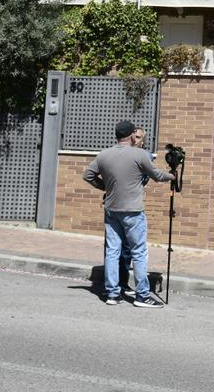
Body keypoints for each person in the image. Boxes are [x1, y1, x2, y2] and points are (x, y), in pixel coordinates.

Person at [83, 120, 174, 307]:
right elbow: (157, 175)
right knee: (139, 252)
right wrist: (173, 176)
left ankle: (112, 294)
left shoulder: (104, 154)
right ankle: (142, 296)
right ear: (132, 135)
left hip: (111, 210)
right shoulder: (139, 154)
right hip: (132, 211)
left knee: (112, 251)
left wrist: (106, 188)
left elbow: (88, 175)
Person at [117, 126, 152, 291]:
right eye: (133, 136)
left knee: (131, 248)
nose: (134, 139)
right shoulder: (119, 152)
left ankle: (124, 283)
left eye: (138, 137)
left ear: (143, 140)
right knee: (116, 247)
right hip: (116, 204)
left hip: (133, 205)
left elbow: (144, 180)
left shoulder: (145, 156)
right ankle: (118, 283)